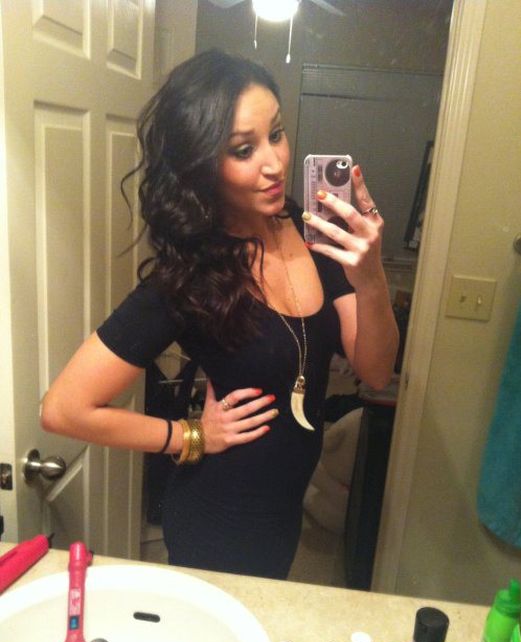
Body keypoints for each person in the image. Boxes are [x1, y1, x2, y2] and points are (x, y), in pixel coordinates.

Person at [41, 49, 399, 579]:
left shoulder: (313, 231)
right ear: (202, 164)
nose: (274, 164)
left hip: (282, 514)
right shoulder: (188, 276)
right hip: (218, 521)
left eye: (276, 134)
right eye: (243, 149)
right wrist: (191, 435)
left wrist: (370, 277)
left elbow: (375, 369)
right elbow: (64, 409)